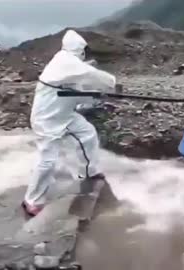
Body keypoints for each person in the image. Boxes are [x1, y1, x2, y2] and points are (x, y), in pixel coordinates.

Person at [22, 30, 117, 216]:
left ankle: (89, 171)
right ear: (78, 49)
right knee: (48, 161)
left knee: (87, 133)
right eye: (83, 50)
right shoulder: (65, 61)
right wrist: (111, 82)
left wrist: (97, 100)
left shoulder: (69, 67)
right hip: (47, 119)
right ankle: (31, 200)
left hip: (64, 115)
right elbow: (91, 74)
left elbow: (78, 92)